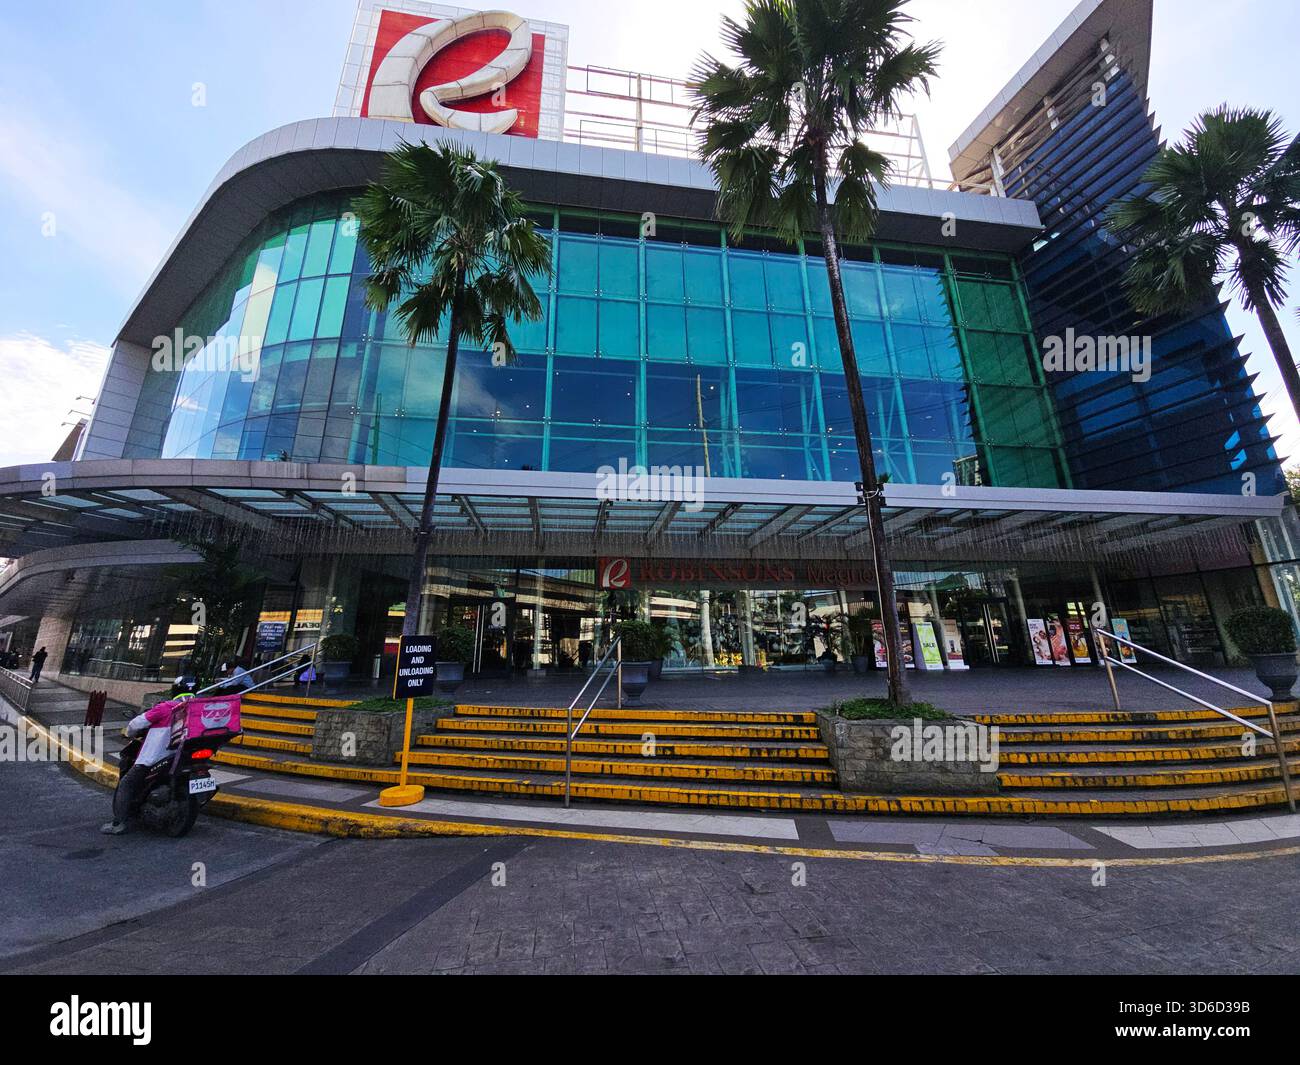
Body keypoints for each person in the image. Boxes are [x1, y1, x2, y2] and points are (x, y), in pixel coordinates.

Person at [101, 698, 184, 835]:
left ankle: (119, 823)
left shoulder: (163, 708)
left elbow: (136, 724)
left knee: (126, 784)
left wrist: (129, 733)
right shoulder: (188, 710)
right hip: (177, 755)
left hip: (155, 757)